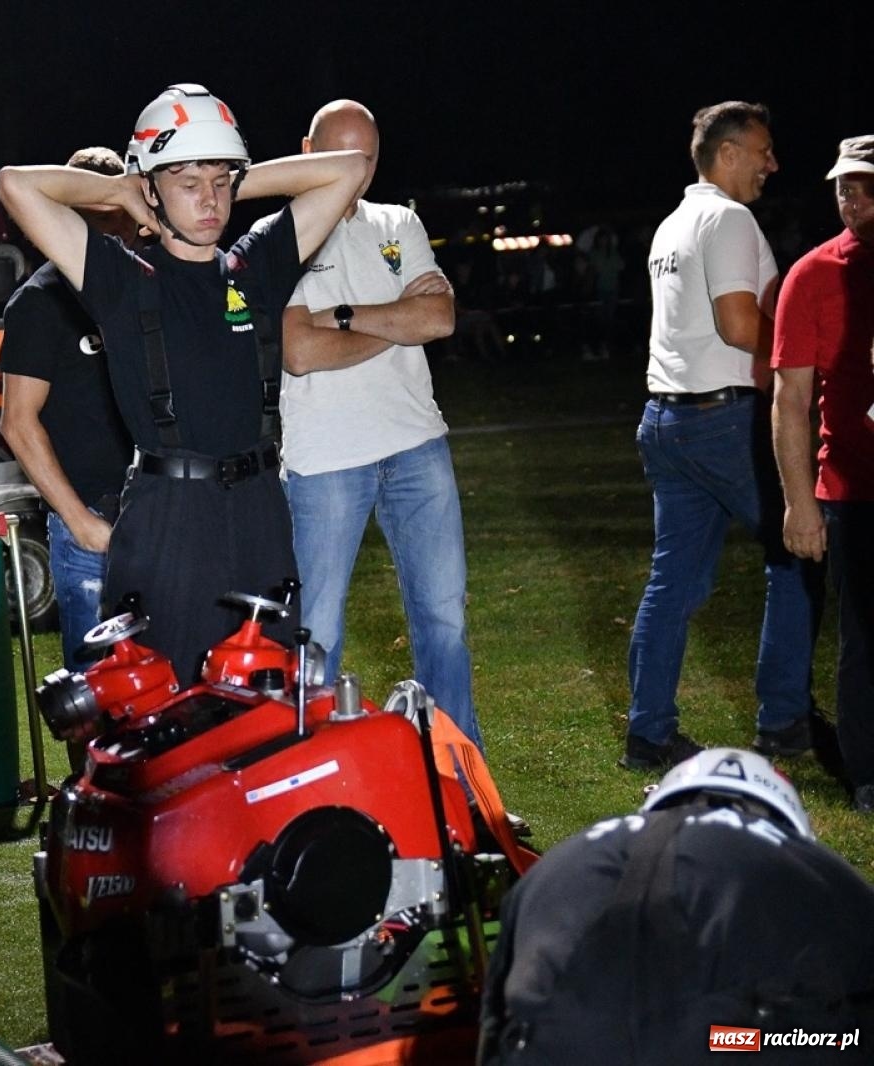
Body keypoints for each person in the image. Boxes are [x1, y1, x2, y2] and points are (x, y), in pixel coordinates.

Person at [0, 84, 365, 678]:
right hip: (169, 516)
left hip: (260, 511)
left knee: (266, 697)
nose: (210, 200)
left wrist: (223, 168)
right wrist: (123, 187)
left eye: (221, 184)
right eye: (190, 185)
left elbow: (350, 168)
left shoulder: (257, 266)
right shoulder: (121, 280)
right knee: (166, 708)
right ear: (153, 191)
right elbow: (15, 183)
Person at [278, 100, 480, 748]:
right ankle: (308, 788)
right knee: (318, 634)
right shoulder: (282, 237)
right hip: (325, 461)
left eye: (367, 156)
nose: (357, 170)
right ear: (309, 152)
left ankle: (463, 788)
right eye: (342, 154)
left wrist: (337, 314)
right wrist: (392, 321)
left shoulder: (399, 222)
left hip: (418, 446)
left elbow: (440, 318)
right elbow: (299, 353)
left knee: (443, 622)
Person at [624, 101, 818, 771]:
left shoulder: (673, 223)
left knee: (670, 584)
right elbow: (740, 324)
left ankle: (648, 735)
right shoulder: (730, 219)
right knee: (800, 553)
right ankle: (784, 719)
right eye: (763, 150)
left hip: (667, 421)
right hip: (724, 421)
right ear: (728, 154)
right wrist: (804, 364)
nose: (773, 163)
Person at [479, 748, 874, 1063]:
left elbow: (493, 1016)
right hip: (726, 1041)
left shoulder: (560, 861)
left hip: (559, 1036)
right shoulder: (818, 870)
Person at [0, 146, 138, 681]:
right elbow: (17, 422)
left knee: (171, 679)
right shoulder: (41, 302)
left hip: (164, 511)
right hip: (92, 524)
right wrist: (81, 523)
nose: (112, 232)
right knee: (94, 687)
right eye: (97, 217)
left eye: (118, 217)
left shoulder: (148, 286)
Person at [773, 135, 874, 812]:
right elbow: (790, 399)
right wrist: (799, 503)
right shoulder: (812, 275)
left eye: (865, 184)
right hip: (854, 488)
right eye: (844, 185)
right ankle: (867, 772)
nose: (851, 196)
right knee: (863, 638)